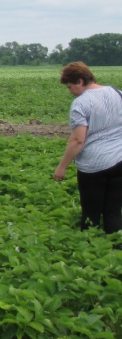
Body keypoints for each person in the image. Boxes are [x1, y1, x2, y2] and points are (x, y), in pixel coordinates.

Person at [54, 62, 122, 234]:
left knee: (91, 213)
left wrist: (62, 167)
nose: (70, 92)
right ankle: (114, 253)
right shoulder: (117, 93)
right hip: (119, 160)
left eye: (70, 87)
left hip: (93, 166)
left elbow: (77, 140)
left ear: (80, 81)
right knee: (113, 212)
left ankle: (88, 247)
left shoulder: (81, 103)